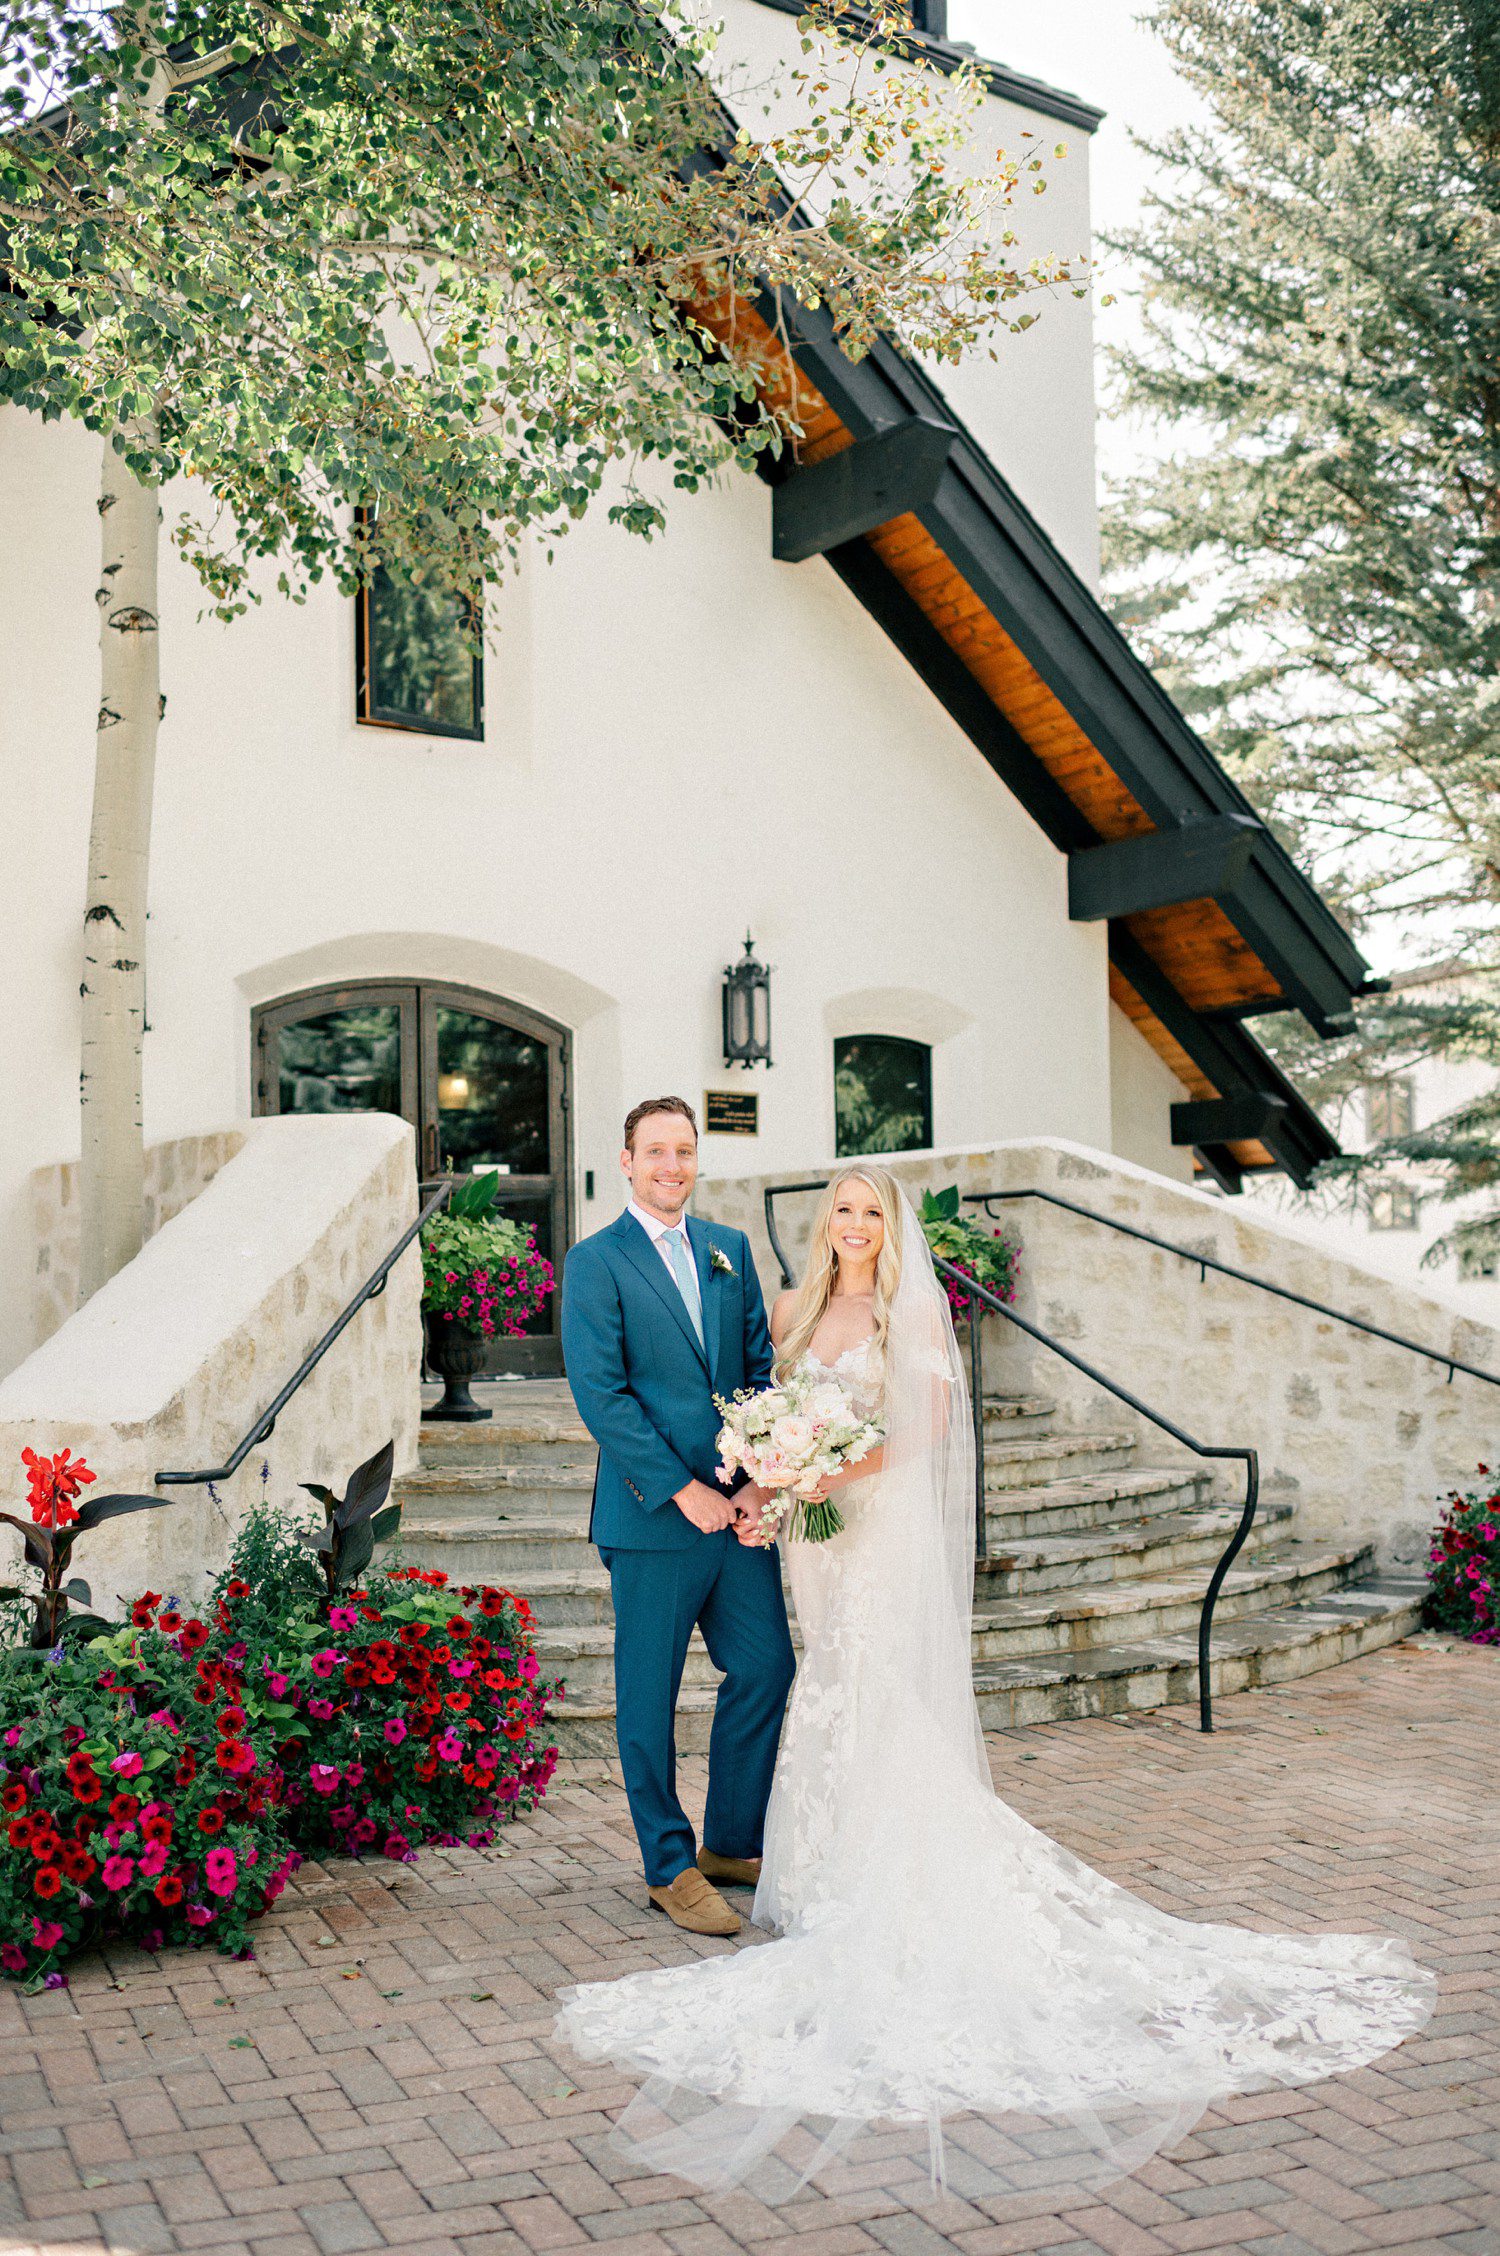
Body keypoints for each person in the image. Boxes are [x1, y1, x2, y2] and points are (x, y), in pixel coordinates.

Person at [556, 1166, 1435, 2204]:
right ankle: (798, 1860)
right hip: (808, 1546)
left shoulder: (908, 1314)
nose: (853, 1225)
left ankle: (885, 1873)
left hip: (874, 1536)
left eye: (872, 1211)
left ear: (894, 1227)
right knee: (821, 1682)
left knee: (864, 1686)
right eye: (840, 1208)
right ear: (820, 1221)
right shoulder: (786, 1304)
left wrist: (811, 1477)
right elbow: (755, 1401)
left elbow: (918, 1432)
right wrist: (770, 1487)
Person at [561, 1096, 795, 1940]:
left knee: (767, 1666)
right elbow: (604, 1395)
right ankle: (668, 1863)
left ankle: (732, 1842)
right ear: (625, 1160)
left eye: (685, 1151)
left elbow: (760, 1372)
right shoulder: (595, 1262)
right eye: (655, 1151)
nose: (672, 1166)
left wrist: (760, 1480)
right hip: (653, 1518)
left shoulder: (730, 1251)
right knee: (648, 1700)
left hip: (737, 1513)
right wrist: (679, 1488)